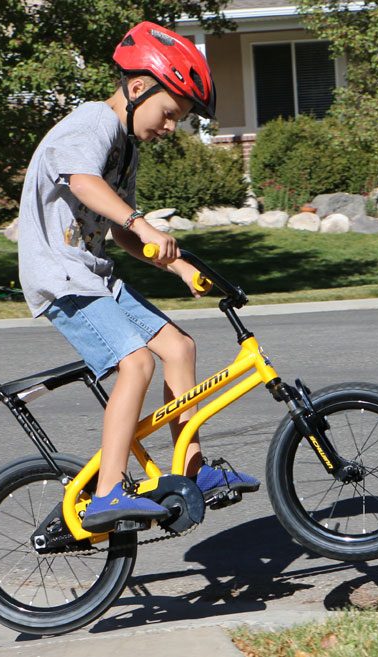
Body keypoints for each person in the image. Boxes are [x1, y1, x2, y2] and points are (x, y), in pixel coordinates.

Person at [17, 21, 259, 533]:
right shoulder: (93, 123)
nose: (172, 126)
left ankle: (190, 468)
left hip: (93, 275)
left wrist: (181, 267)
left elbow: (124, 231)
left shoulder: (124, 149)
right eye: (170, 112)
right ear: (135, 88)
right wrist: (139, 221)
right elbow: (84, 185)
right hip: (60, 277)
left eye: (180, 119)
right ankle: (107, 492)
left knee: (181, 348)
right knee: (136, 364)